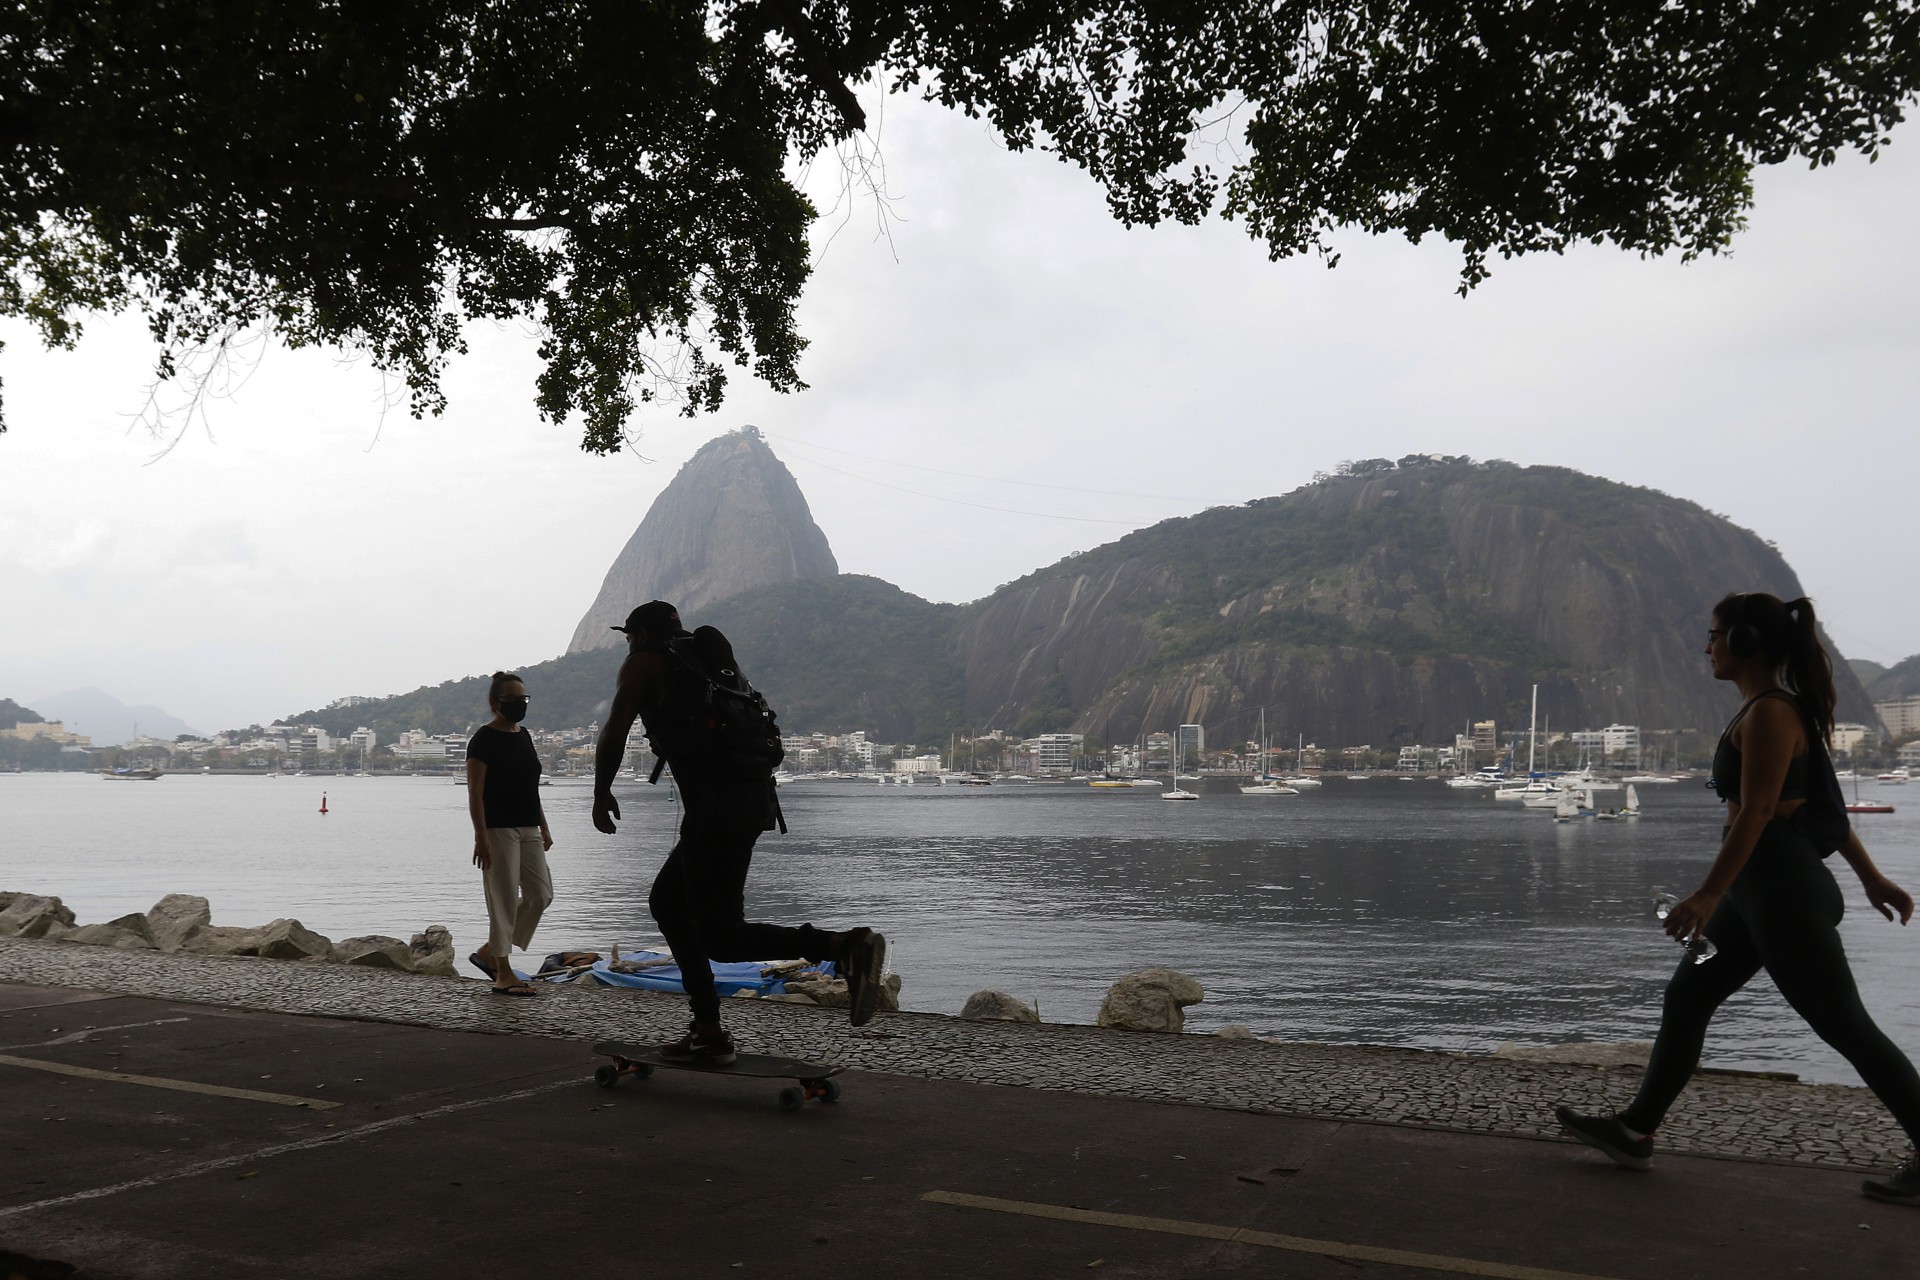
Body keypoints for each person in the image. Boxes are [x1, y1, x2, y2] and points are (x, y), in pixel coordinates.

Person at [1555, 592, 1920, 1206]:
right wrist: (1871, 878)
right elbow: (1816, 809)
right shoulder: (1762, 709)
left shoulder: (1772, 714)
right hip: (1761, 891)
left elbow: (1756, 814)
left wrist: (1706, 893)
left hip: (1781, 893)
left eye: (1716, 634)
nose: (1708, 646)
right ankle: (1634, 1131)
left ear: (1747, 641)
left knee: (1844, 1025)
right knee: (1688, 995)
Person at [592, 600, 887, 1065]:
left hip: (715, 811)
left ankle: (842, 946)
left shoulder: (646, 662)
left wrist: (601, 790)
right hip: (750, 802)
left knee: (723, 939)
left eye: (628, 636)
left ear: (641, 635)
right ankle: (707, 1027)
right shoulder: (712, 664)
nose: (627, 644)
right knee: (667, 903)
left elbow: (615, 728)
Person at [465, 671, 554, 996]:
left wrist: (543, 825)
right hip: (497, 829)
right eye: (512, 700)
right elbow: (475, 792)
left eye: (522, 699)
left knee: (540, 895)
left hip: (529, 826)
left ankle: (490, 949)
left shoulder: (524, 735)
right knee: (502, 901)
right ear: (494, 702)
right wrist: (480, 837)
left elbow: (530, 787)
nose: (519, 704)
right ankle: (503, 972)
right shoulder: (483, 740)